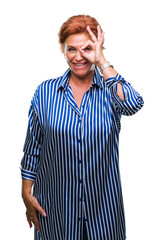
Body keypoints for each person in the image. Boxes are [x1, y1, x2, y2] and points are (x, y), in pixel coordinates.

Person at [20, 15, 144, 240]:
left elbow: (134, 104)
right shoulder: (44, 94)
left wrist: (102, 62)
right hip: (56, 213)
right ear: (63, 50)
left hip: (103, 215)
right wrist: (25, 193)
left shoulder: (111, 90)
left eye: (87, 48)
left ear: (98, 47)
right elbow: (33, 149)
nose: (79, 57)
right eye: (71, 50)